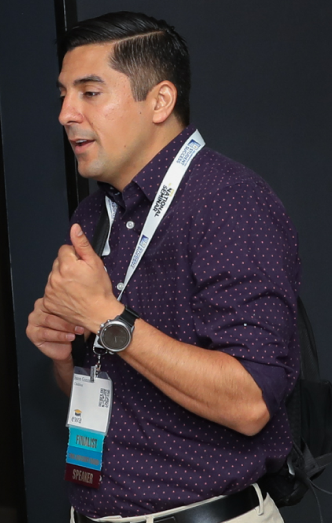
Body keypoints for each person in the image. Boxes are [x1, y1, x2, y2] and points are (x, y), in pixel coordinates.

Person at [27, 11, 299, 523]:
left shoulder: (229, 203)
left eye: (89, 92)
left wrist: (108, 318)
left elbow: (250, 403)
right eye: (63, 93)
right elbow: (105, 385)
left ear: (160, 101)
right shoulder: (94, 212)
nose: (65, 112)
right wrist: (63, 354)